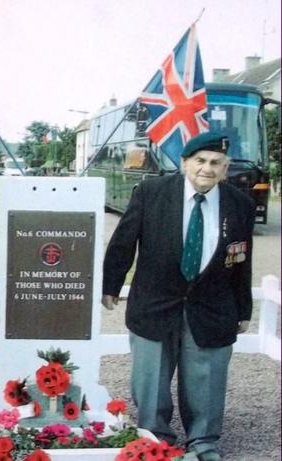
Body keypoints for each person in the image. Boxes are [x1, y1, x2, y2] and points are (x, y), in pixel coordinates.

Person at [102, 132, 255, 461]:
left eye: (216, 163)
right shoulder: (151, 193)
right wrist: (110, 285)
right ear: (185, 163)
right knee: (151, 379)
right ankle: (154, 438)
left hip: (212, 306)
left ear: (225, 169)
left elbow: (242, 259)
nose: (207, 169)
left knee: (207, 378)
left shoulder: (240, 204)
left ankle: (203, 441)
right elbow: (123, 242)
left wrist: (243, 308)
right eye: (200, 161)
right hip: (155, 303)